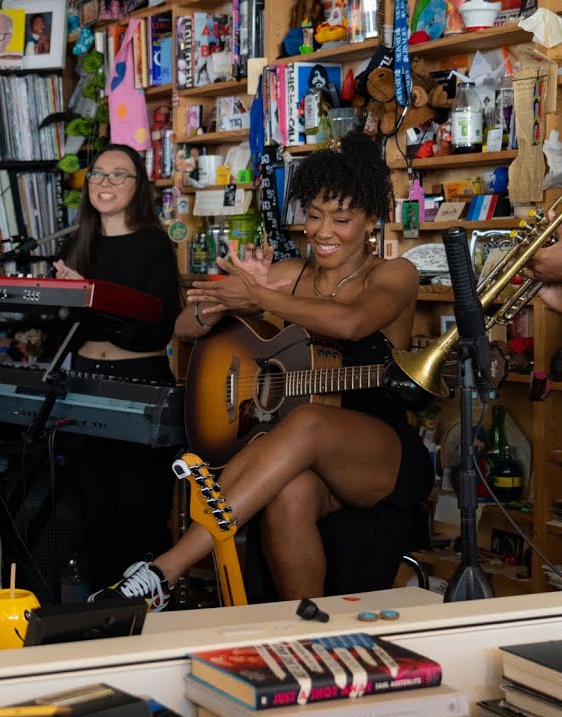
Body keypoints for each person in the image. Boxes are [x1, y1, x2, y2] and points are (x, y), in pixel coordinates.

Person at [93, 132, 431, 609]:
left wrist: (259, 297)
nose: (324, 231)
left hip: (378, 448)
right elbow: (184, 324)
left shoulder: (393, 274)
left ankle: (166, 570)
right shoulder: (292, 273)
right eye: (314, 216)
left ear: (372, 219)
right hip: (297, 451)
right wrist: (227, 306)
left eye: (342, 218)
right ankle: (303, 631)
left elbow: (353, 324)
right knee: (289, 493)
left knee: (306, 423)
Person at [51, 144, 183, 592]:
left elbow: (153, 331)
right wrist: (65, 299)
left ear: (137, 186)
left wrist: (86, 296)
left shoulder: (153, 244)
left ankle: (143, 602)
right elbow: (68, 329)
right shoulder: (77, 244)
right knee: (92, 508)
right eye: (98, 174)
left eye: (118, 175)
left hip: (140, 385)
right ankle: (96, 605)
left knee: (137, 509)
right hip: (85, 380)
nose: (105, 183)